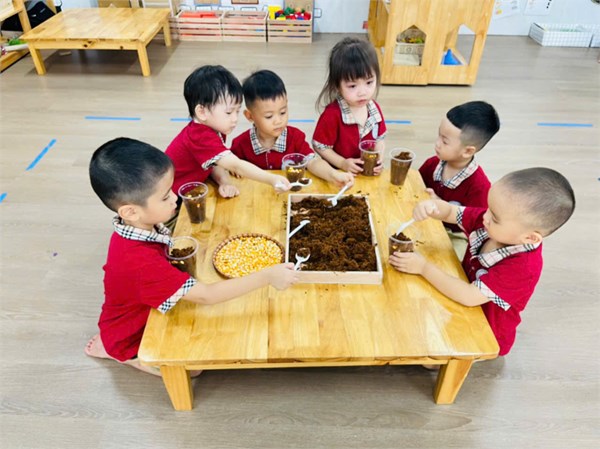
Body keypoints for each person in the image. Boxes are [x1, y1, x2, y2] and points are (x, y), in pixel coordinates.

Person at [85, 138, 298, 375]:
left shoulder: (135, 226)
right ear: (130, 211)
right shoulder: (141, 263)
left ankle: (112, 341)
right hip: (131, 336)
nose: (175, 197)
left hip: (135, 308)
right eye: (165, 197)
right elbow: (207, 296)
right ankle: (121, 354)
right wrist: (267, 276)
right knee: (194, 370)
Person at [389, 168, 575, 356]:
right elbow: (451, 212)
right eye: (489, 208)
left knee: (430, 354)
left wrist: (423, 267)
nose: (485, 217)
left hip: (483, 332)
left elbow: (469, 296)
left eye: (495, 218)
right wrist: (432, 207)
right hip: (458, 298)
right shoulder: (490, 222)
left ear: (530, 238)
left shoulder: (523, 268)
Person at [166, 65, 291, 200]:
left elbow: (213, 162)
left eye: (237, 111)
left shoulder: (213, 128)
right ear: (202, 112)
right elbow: (236, 166)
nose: (235, 118)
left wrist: (224, 182)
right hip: (171, 197)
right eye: (229, 112)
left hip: (190, 191)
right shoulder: (200, 136)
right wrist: (271, 179)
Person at [230, 69, 354, 188]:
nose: (278, 121)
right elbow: (227, 165)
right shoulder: (240, 144)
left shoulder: (295, 138)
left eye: (282, 112)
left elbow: (313, 162)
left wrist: (333, 174)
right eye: (269, 116)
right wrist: (232, 169)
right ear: (250, 116)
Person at [312, 37, 387, 176]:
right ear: (337, 86)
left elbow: (380, 139)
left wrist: (379, 157)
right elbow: (320, 146)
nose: (362, 92)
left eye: (369, 82)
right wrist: (342, 163)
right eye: (352, 86)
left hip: (366, 174)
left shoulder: (374, 109)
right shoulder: (332, 114)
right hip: (338, 176)